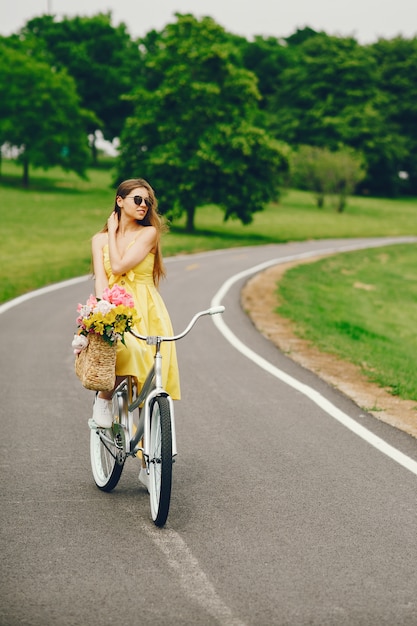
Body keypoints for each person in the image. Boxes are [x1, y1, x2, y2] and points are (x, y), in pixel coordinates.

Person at [91, 178, 181, 434]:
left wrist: (112, 231)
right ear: (120, 201)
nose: (144, 205)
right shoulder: (99, 240)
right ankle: (104, 398)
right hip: (114, 307)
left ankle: (148, 466)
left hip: (147, 308)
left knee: (149, 382)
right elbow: (102, 279)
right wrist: (102, 310)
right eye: (138, 200)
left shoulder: (149, 233)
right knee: (128, 352)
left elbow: (119, 266)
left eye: (148, 201)